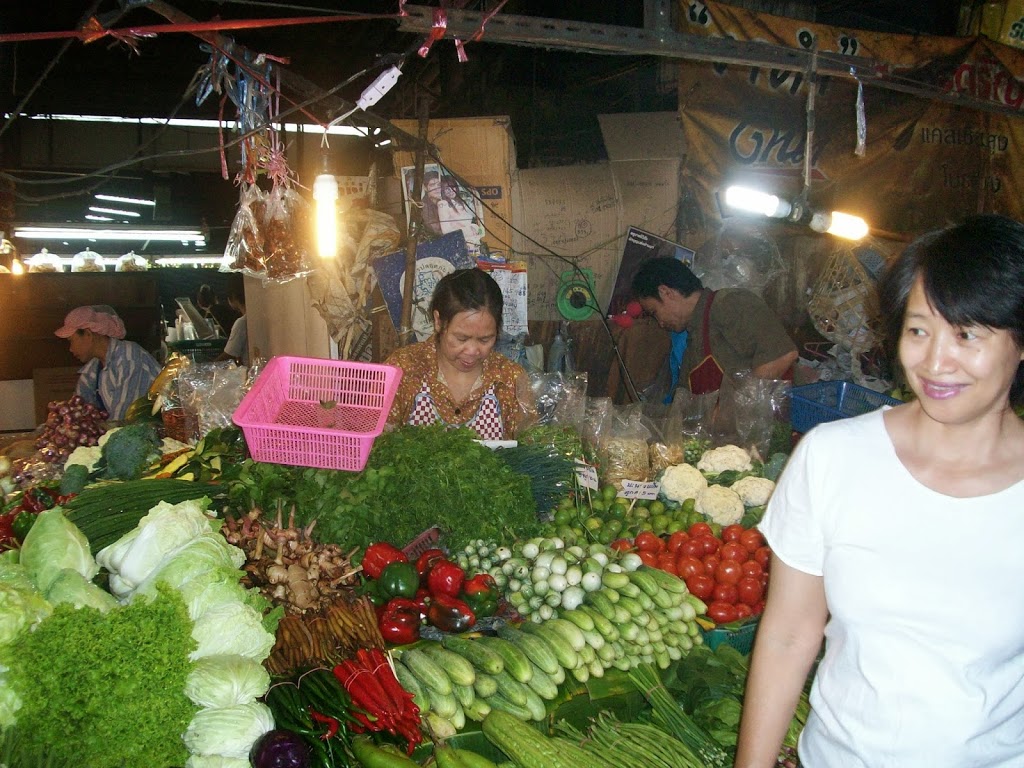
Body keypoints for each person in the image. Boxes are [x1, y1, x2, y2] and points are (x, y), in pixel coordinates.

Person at [735, 214, 1024, 768]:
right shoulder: (833, 458)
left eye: (967, 335)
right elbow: (790, 636)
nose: (936, 362)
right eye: (919, 330)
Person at [385, 268, 531, 440]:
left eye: (485, 340)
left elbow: (528, 447)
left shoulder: (510, 379)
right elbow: (376, 443)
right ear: (439, 321)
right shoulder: (403, 369)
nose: (472, 351)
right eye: (461, 338)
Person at [631, 256, 797, 396]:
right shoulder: (693, 336)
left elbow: (782, 355)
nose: (660, 323)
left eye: (654, 312)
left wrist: (732, 409)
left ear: (666, 292)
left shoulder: (729, 303)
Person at [54, 305, 162, 422]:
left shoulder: (130, 358)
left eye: (71, 341)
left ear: (88, 334)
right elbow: (79, 409)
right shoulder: (92, 370)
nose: (70, 349)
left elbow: (123, 419)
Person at [217, 274, 248, 366]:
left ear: (233, 297)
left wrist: (207, 367)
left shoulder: (241, 323)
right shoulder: (253, 319)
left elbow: (229, 355)